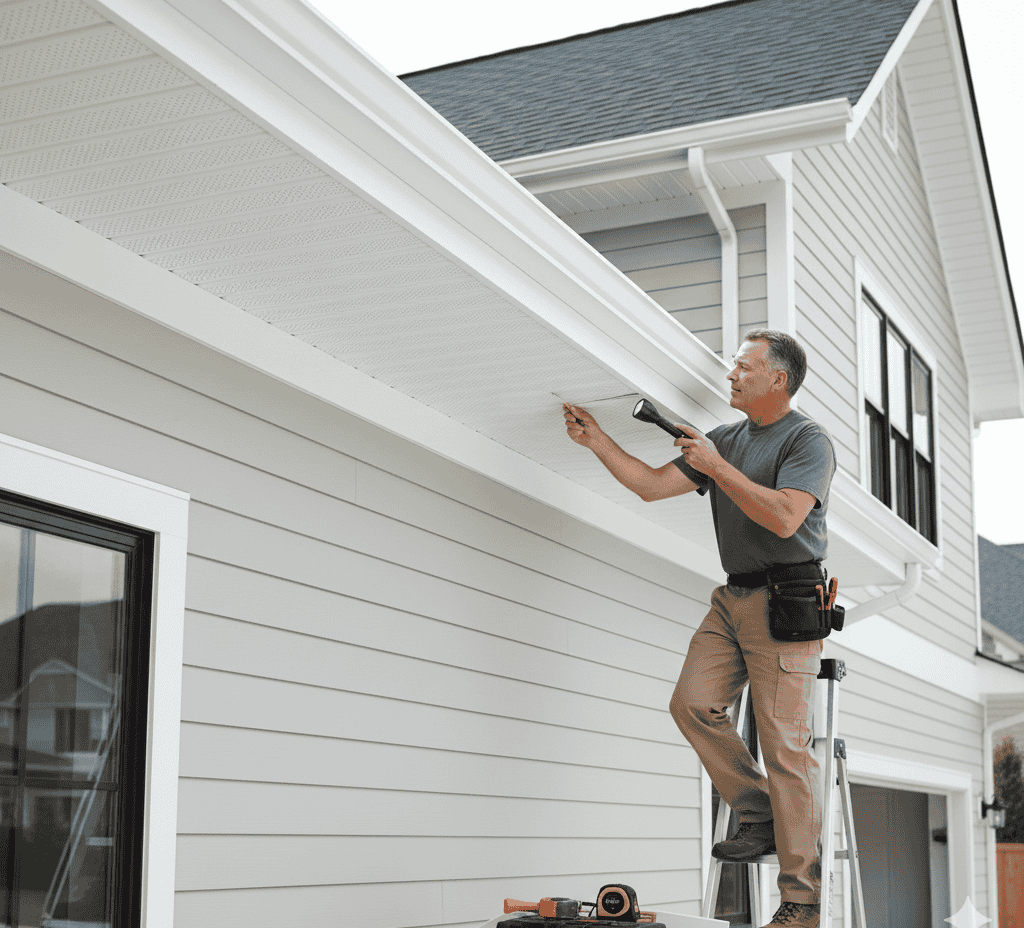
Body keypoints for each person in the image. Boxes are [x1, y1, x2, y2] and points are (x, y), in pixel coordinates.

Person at [562, 330, 836, 928]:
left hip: (787, 598)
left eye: (744, 367)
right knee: (692, 704)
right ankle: (758, 812)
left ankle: (801, 904)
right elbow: (651, 485)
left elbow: (787, 518)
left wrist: (717, 468)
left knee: (786, 746)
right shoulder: (724, 440)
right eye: (734, 366)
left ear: (778, 379)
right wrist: (597, 441)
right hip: (733, 596)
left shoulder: (807, 440)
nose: (732, 375)